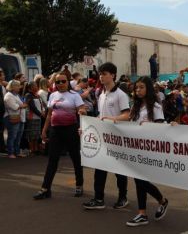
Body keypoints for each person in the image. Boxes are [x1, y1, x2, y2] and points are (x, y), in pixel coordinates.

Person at [82, 62, 131, 210]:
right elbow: (100, 115)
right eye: (100, 74)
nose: (101, 77)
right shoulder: (101, 93)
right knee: (100, 169)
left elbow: (127, 115)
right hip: (102, 137)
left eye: (104, 74)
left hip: (117, 137)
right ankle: (98, 199)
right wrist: (88, 125)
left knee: (119, 171)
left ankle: (123, 197)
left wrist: (112, 119)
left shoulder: (120, 95)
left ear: (113, 75)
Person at [33, 72, 87, 199]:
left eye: (63, 81)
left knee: (76, 159)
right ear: (54, 83)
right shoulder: (52, 95)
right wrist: (44, 130)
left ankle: (79, 185)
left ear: (68, 82)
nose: (61, 84)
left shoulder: (74, 95)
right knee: (52, 160)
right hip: (56, 131)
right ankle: (45, 189)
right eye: (58, 82)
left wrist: (81, 111)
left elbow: (82, 110)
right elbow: (49, 114)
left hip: (71, 130)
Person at [126, 76, 168, 227]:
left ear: (148, 89)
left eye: (141, 87)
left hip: (148, 150)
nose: (138, 90)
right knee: (139, 180)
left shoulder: (155, 107)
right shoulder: (135, 107)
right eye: (136, 88)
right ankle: (147, 209)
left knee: (140, 181)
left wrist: (148, 126)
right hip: (135, 148)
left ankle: (145, 211)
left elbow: (161, 126)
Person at [4, 80, 28, 158]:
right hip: (12, 117)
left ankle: (17, 152)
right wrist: (22, 106)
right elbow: (15, 107)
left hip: (19, 117)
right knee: (12, 136)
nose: (19, 87)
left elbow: (20, 104)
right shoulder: (8, 95)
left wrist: (22, 105)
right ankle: (10, 152)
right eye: (17, 86)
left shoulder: (16, 95)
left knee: (18, 136)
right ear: (13, 87)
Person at [24, 81, 46, 155]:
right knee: (31, 134)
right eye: (35, 85)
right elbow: (32, 107)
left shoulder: (37, 95)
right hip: (32, 117)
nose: (37, 87)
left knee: (36, 134)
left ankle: (36, 149)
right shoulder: (28, 95)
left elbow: (42, 105)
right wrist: (40, 114)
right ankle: (31, 149)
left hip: (38, 117)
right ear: (31, 87)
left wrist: (43, 112)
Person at [0, 68, 6, 153]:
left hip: (2, 112)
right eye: (3, 75)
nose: (4, 76)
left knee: (1, 130)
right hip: (0, 111)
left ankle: (2, 147)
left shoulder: (2, 86)